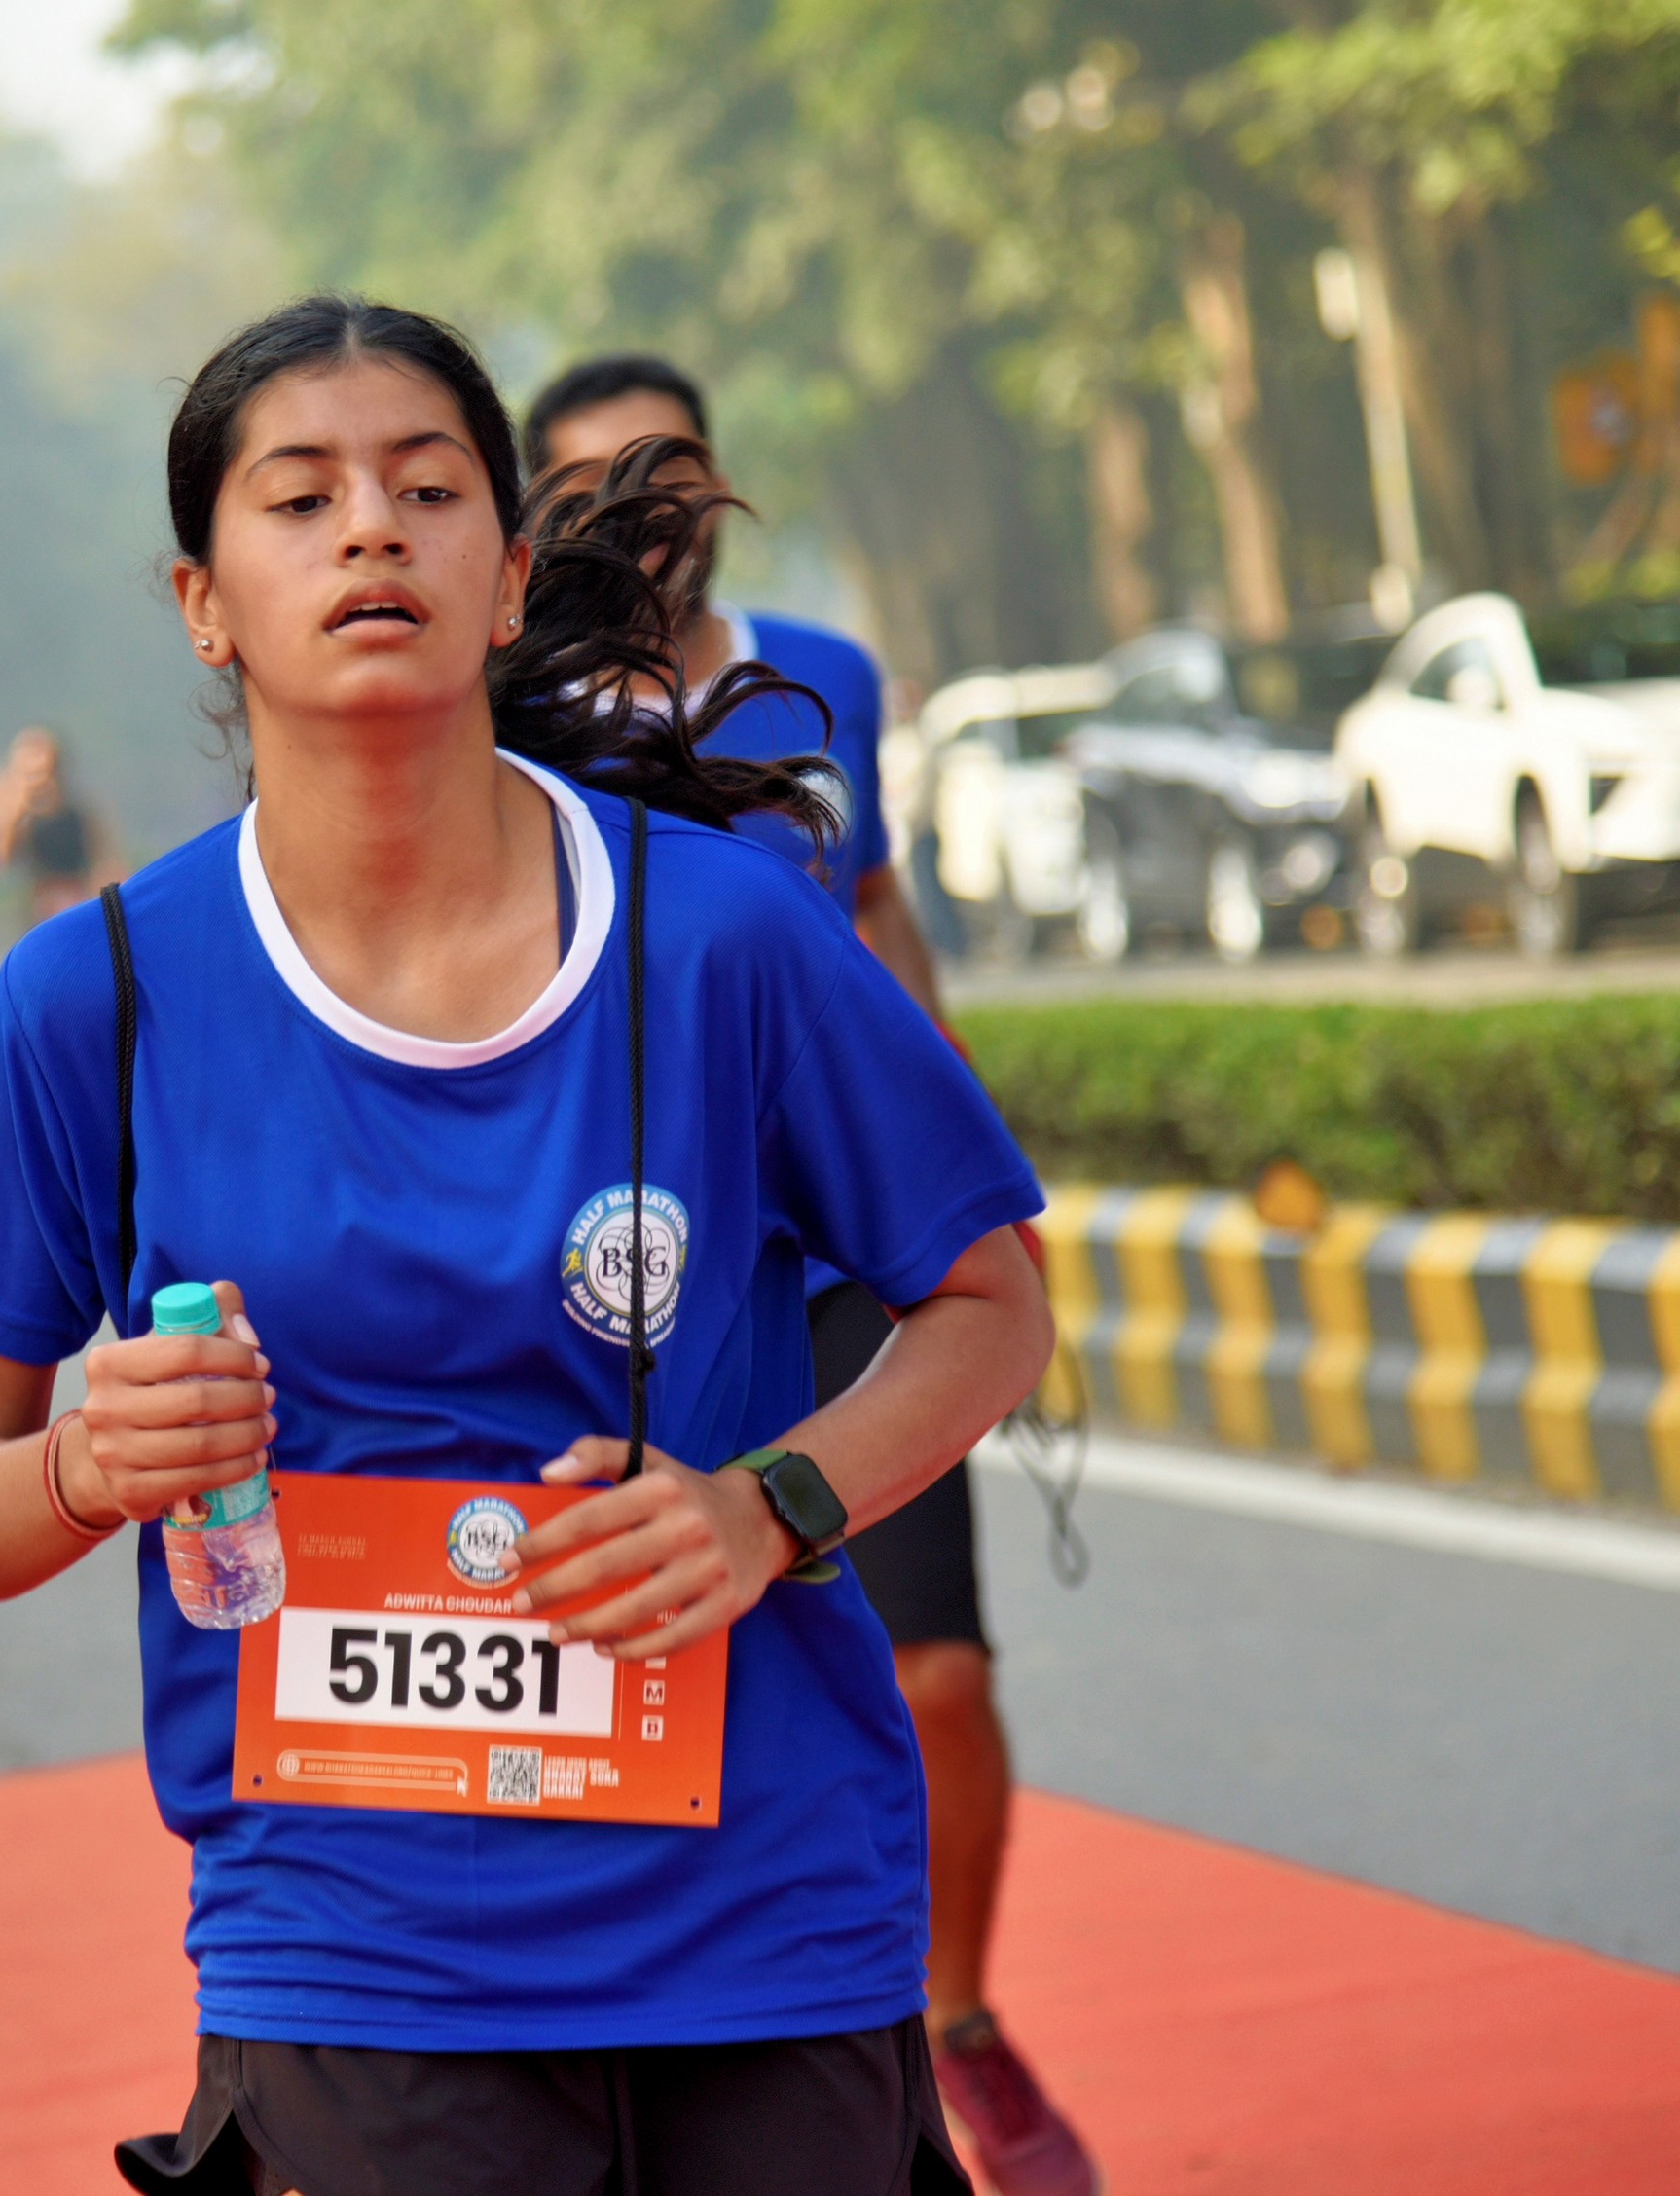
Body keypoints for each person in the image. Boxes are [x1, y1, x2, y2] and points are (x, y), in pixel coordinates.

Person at [0, 297, 1053, 2196]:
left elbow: (989, 1303)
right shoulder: (91, 999)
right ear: (202, 603)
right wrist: (90, 1461)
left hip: (765, 1921)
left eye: (427, 489)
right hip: (355, 1954)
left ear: (506, 580)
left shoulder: (726, 940)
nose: (369, 528)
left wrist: (768, 1505)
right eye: (300, 498)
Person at [529, 354, 1096, 2196]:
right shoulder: (511, 708)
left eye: (671, 467)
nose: (643, 508)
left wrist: (955, 1165)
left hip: (841, 1241)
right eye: (594, 482)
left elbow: (871, 908)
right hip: (647, 1268)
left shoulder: (822, 672)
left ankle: (961, 2018)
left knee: (939, 1673)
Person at [0, 725, 108, 924]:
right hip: (41, 904)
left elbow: (102, 854)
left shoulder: (76, 808)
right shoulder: (16, 811)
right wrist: (13, 812)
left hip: (79, 896)